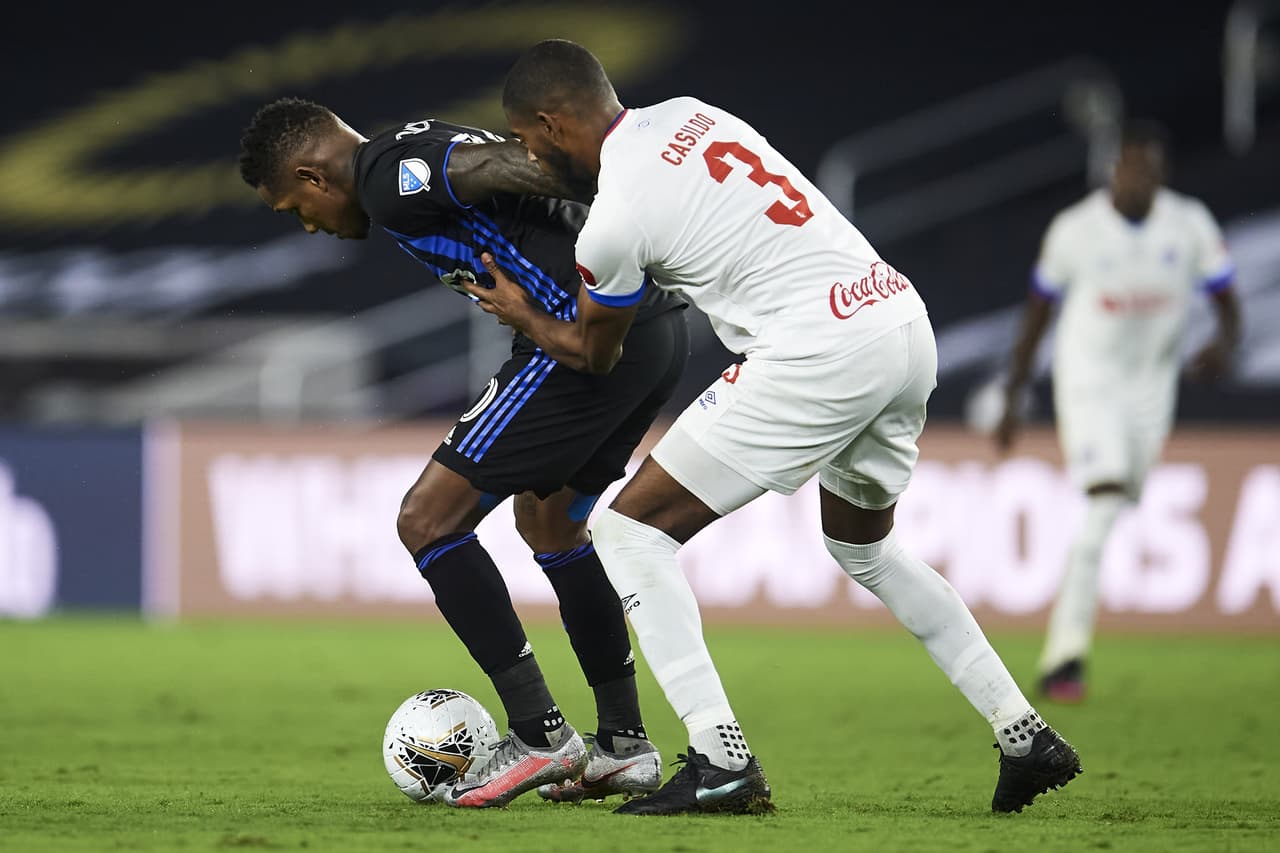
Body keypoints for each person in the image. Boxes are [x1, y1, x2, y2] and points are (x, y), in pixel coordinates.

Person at [464, 38, 1082, 816]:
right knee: (867, 547)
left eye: (525, 141)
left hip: (817, 350)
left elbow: (594, 350)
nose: (527, 156)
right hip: (895, 316)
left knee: (629, 533)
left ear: (552, 124)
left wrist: (520, 311)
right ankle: (1022, 731)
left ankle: (721, 760)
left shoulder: (613, 219)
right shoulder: (693, 115)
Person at [238, 97, 691, 807]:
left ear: (313, 175)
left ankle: (542, 735)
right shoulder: (411, 144)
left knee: (427, 520)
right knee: (551, 525)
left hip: (575, 339)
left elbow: (500, 165)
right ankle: (624, 746)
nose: (308, 224)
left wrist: (608, 180)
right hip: (647, 331)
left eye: (296, 206)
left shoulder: (387, 172)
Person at [996, 120, 1241, 702]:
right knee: (1104, 503)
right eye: (1130, 167)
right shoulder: (1076, 231)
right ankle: (1065, 658)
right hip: (1089, 384)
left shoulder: (1190, 224)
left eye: (1149, 169)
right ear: (1114, 170)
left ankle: (1066, 651)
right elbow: (1037, 313)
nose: (1138, 179)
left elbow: (1227, 296)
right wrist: (1014, 393)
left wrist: (1224, 345)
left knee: (1117, 504)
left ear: (1162, 174)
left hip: (1152, 391)